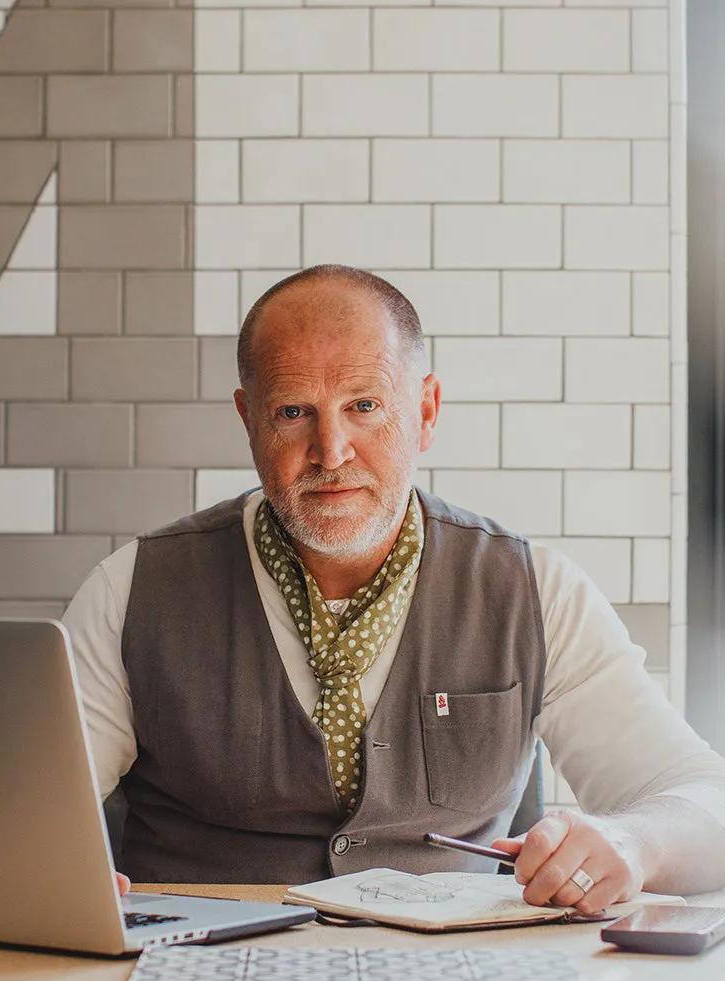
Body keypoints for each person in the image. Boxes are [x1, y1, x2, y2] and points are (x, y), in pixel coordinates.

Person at [64, 264, 725, 912]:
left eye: (364, 407)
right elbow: (14, 819)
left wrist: (633, 842)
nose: (331, 451)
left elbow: (705, 803)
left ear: (426, 410)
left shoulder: (535, 593)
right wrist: (52, 873)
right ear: (248, 419)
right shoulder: (131, 593)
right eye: (293, 412)